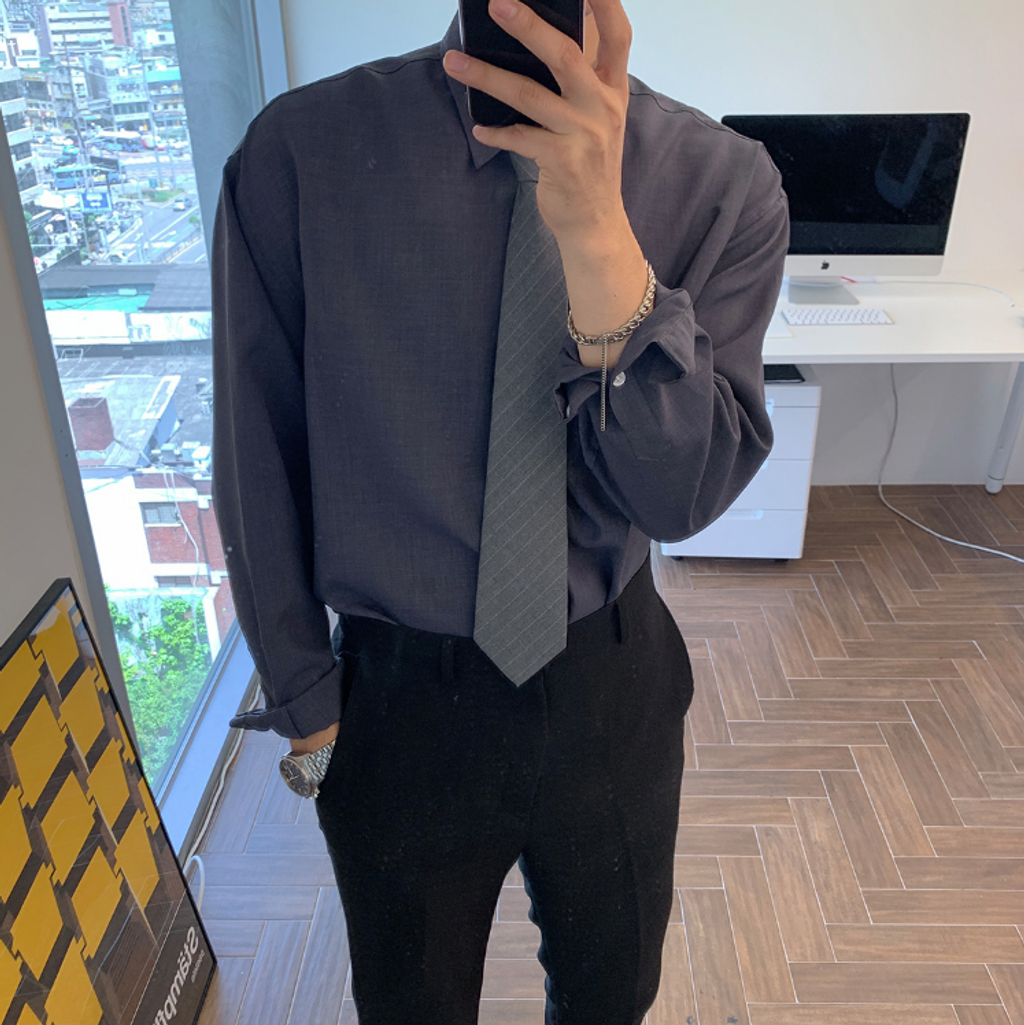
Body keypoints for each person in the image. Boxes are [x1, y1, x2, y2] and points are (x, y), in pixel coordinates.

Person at [211, 0, 788, 1022]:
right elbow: (257, 444)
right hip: (395, 703)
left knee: (613, 995)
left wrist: (600, 236)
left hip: (611, 680)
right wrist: (305, 695)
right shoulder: (299, 157)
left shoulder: (722, 184)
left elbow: (681, 498)